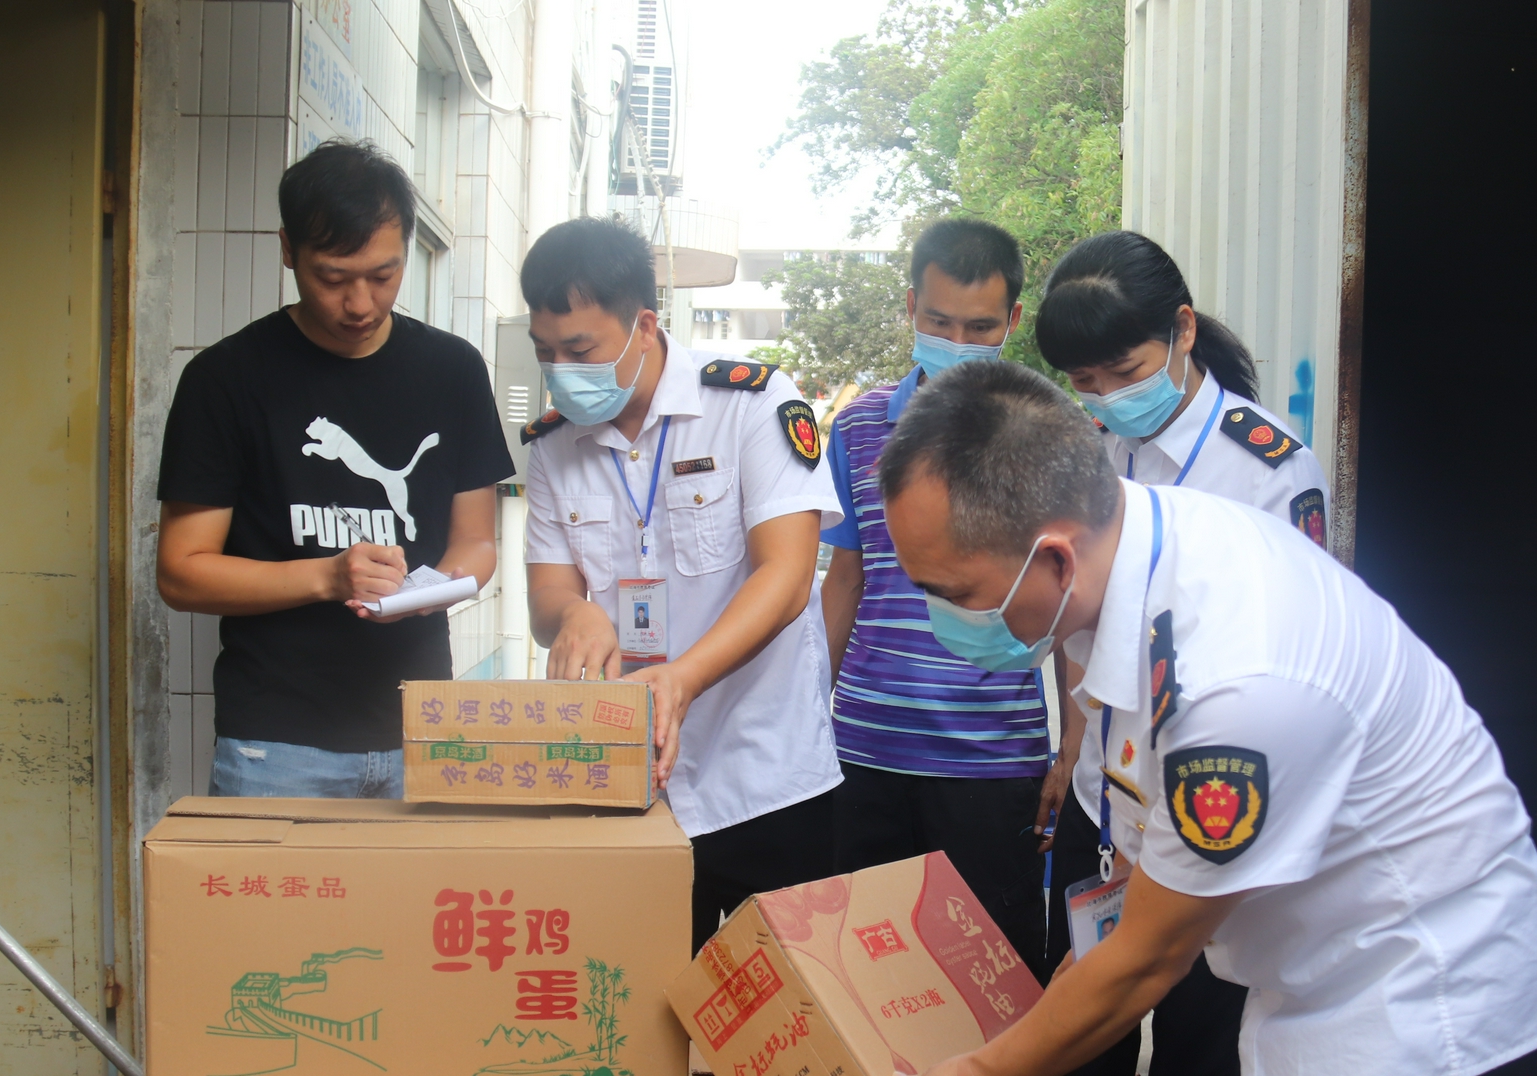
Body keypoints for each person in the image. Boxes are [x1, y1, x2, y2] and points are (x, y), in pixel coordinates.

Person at [856, 360, 1537, 1076]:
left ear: (1050, 554)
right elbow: (1130, 876)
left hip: (1413, 1016)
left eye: (950, 592)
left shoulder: (1235, 673)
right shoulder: (1133, 564)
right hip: (1309, 996)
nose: (939, 618)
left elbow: (1147, 961)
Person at [995, 231, 1333, 1076]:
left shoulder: (1265, 462)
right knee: (1077, 1022)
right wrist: (1066, 746)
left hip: (1209, 799)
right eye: (1084, 385)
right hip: (1106, 784)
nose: (1106, 401)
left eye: (1125, 371)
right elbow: (1065, 605)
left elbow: (1293, 639)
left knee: (1195, 1054)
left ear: (1182, 331)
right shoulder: (1082, 447)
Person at [517, 217, 844, 950]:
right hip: (627, 783)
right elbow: (546, 597)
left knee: (795, 1019)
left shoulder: (752, 404)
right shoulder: (552, 447)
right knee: (632, 1016)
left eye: (581, 350)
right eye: (546, 353)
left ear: (644, 325)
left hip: (765, 775)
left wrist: (682, 677)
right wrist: (575, 614)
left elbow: (788, 576)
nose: (564, 371)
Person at [156, 139, 510, 797]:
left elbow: (477, 540)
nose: (360, 304)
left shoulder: (453, 371)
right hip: (276, 745)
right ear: (288, 249)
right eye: (333, 277)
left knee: (418, 906)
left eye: (384, 275)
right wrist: (328, 576)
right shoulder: (226, 380)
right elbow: (181, 571)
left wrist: (431, 589)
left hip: (423, 729)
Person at [820, 218, 1057, 976]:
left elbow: (1077, 606)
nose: (958, 339)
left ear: (1013, 322)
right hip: (866, 752)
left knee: (996, 979)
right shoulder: (858, 428)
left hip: (993, 760)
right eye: (940, 321)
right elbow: (845, 582)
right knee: (870, 976)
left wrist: (1075, 749)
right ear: (911, 308)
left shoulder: (1051, 435)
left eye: (980, 326)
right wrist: (807, 721)